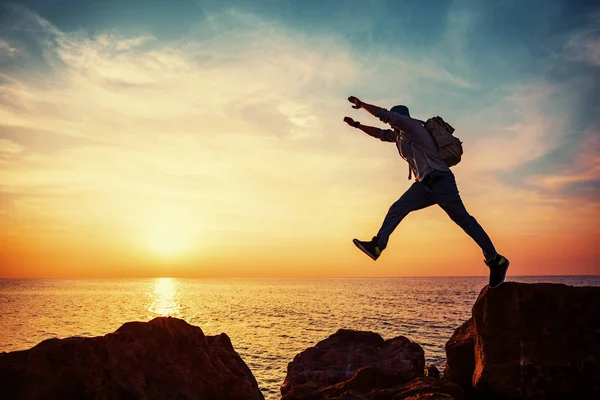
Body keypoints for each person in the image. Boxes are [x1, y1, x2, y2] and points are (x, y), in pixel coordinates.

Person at [344, 96, 509, 288]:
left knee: (465, 221)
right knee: (397, 208)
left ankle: (496, 260)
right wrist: (357, 125)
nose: (393, 123)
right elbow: (380, 134)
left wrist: (362, 105)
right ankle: (378, 245)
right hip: (423, 185)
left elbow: (384, 116)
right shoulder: (399, 136)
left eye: (395, 119)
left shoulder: (413, 127)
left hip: (441, 180)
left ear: (401, 118)